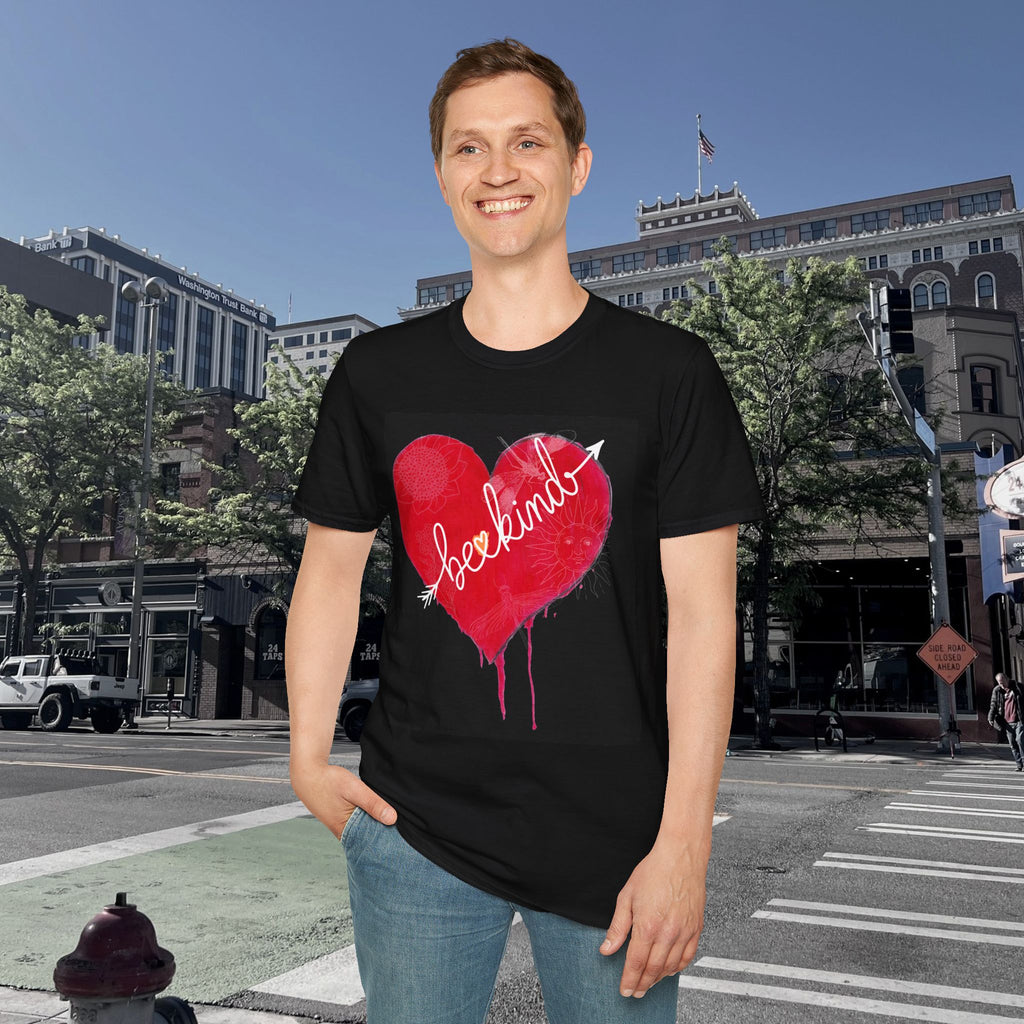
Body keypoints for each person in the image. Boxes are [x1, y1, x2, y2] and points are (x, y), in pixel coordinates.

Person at [286, 37, 765, 1023]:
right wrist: (303, 756)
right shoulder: (378, 377)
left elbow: (702, 620)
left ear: (576, 165)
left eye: (526, 142)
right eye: (469, 148)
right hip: (414, 828)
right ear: (441, 174)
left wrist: (684, 843)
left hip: (620, 838)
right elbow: (330, 574)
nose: (497, 171)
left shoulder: (669, 373)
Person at [988, 672, 1024, 770]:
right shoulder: (997, 691)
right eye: (999, 683)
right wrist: (990, 718)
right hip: (1007, 721)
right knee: (1012, 744)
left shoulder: (1018, 687)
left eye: (1003, 682)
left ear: (1007, 679)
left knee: (1020, 740)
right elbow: (993, 705)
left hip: (1019, 719)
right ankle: (1019, 764)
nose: (1002, 685)